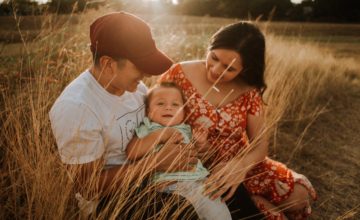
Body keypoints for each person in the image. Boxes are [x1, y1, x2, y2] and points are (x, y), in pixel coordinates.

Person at [160, 22, 317, 219]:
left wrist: (239, 167)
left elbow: (260, 145)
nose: (216, 70)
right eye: (214, 57)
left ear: (245, 69)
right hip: (195, 161)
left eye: (229, 68)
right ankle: (257, 204)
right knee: (237, 199)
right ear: (209, 47)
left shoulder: (249, 90)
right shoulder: (179, 74)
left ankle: (255, 200)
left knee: (299, 197)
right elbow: (155, 115)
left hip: (240, 161)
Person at [49, 12, 199, 219]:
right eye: (140, 66)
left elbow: (156, 129)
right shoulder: (76, 108)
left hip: (155, 177)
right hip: (110, 202)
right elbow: (88, 187)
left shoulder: (136, 88)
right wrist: (155, 162)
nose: (147, 74)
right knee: (183, 212)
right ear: (109, 64)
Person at [126, 82, 232, 220]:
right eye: (160, 104)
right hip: (167, 187)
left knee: (219, 215)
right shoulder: (148, 128)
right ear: (147, 111)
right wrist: (159, 135)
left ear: (183, 112)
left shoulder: (187, 129)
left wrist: (202, 143)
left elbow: (206, 156)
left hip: (199, 184)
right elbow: (132, 152)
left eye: (175, 104)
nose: (168, 107)